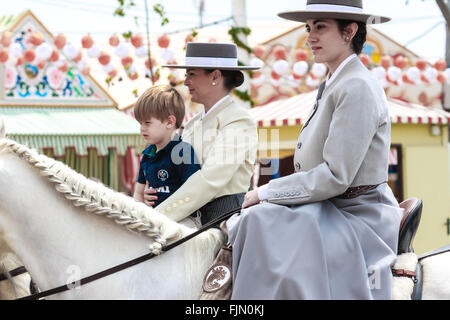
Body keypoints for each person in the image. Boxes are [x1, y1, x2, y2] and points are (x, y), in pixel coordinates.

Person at [226, 0, 403, 300]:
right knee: (251, 219)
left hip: (356, 213)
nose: (310, 36)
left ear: (349, 31)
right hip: (327, 206)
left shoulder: (357, 85)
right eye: (309, 28)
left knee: (257, 220)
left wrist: (265, 192)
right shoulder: (335, 81)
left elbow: (336, 176)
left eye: (320, 27)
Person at [143, 42, 260, 226]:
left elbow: (210, 180)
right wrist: (155, 189)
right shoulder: (192, 124)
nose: (186, 82)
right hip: (185, 219)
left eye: (192, 74)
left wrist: (158, 216)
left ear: (215, 76)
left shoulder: (238, 120)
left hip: (224, 222)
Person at [133, 85, 200, 208]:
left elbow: (194, 190)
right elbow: (138, 194)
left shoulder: (182, 152)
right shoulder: (147, 155)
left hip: (183, 218)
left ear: (170, 122)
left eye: (147, 122)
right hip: (154, 218)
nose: (142, 128)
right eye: (140, 123)